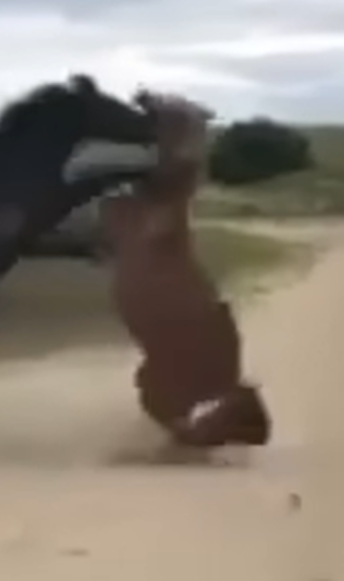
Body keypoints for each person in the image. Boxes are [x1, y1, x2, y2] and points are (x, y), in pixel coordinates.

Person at [101, 90, 272, 450]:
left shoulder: (121, 195)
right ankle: (191, 432)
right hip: (168, 294)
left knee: (188, 374)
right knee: (219, 381)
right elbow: (175, 185)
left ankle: (182, 431)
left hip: (141, 293)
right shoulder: (166, 188)